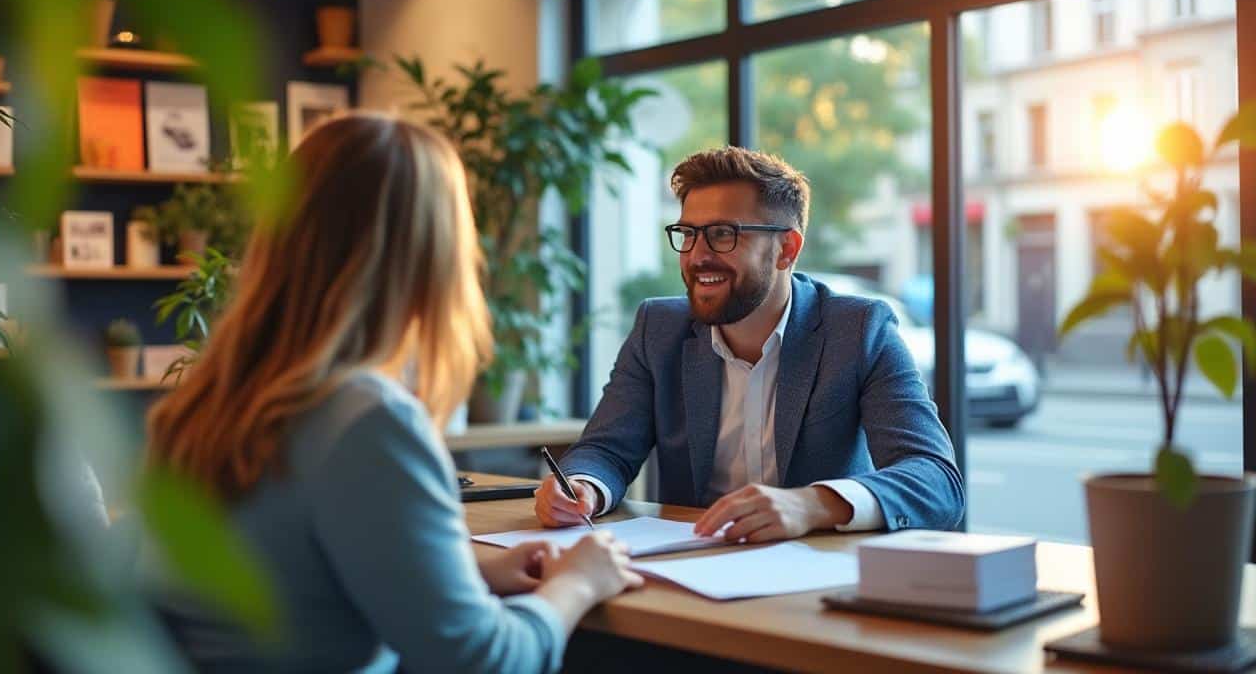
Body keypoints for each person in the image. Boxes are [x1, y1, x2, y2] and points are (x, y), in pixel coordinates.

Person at [146, 113, 641, 674]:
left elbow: (292, 579)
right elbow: (484, 662)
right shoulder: (367, 420)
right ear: (432, 256)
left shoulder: (205, 406)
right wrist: (578, 583)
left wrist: (466, 573)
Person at [535, 146, 964, 541]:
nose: (697, 255)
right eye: (688, 233)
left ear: (786, 249)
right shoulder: (658, 328)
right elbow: (606, 449)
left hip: (817, 582)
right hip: (689, 570)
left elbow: (937, 481)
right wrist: (583, 485)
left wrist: (812, 504)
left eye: (722, 234)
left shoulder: (857, 331)